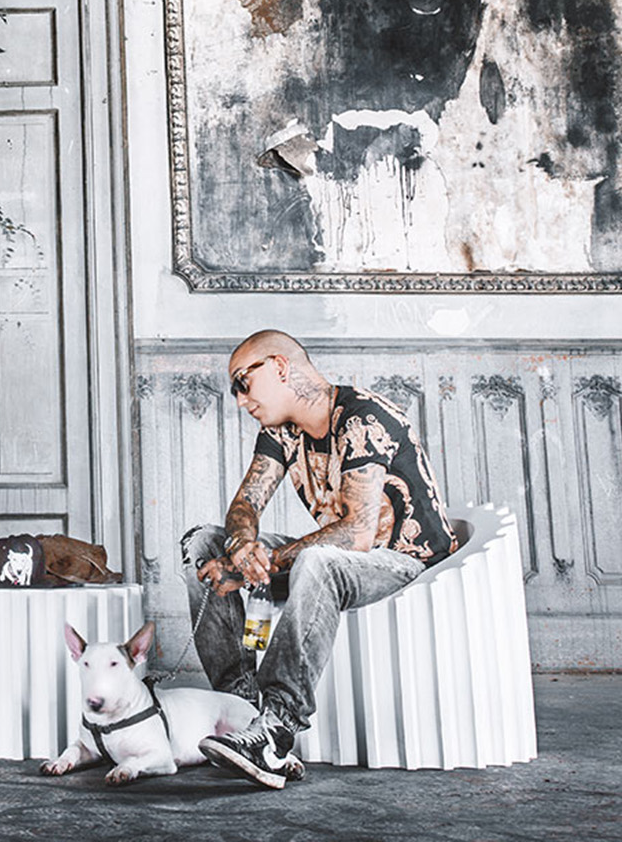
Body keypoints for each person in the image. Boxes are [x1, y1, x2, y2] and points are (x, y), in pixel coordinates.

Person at [183, 329, 457, 789]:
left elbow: (357, 534)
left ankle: (276, 729)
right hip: (341, 562)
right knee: (203, 544)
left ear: (279, 367)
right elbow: (245, 504)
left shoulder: (363, 418)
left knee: (318, 561)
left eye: (242, 384)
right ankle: (241, 709)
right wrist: (242, 548)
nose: (240, 401)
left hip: (402, 562)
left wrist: (263, 562)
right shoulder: (282, 431)